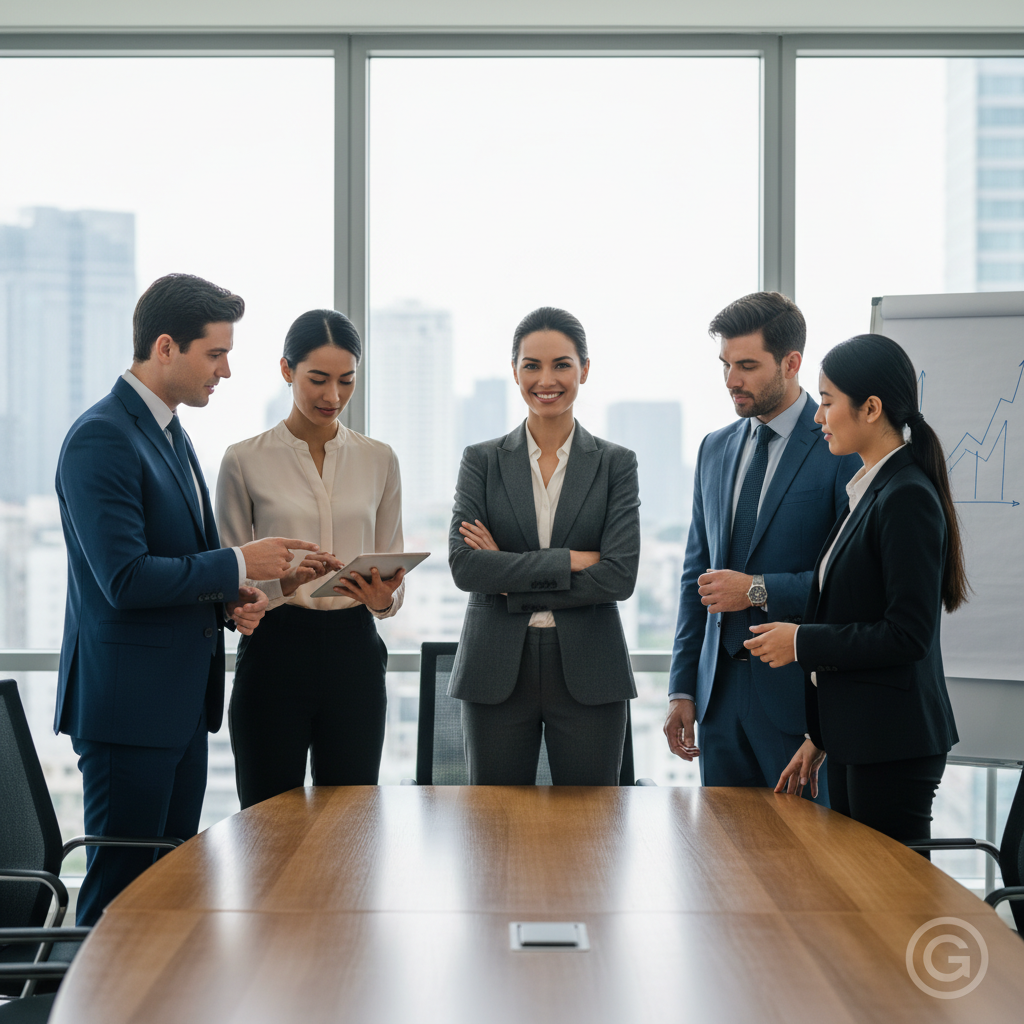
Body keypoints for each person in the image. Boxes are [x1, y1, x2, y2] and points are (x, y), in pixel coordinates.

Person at [55, 273, 320, 926]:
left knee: (167, 889)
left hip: (176, 707)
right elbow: (124, 579)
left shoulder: (171, 432)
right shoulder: (102, 437)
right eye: (216, 353)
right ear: (166, 347)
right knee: (119, 894)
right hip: (128, 712)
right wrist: (238, 562)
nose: (226, 370)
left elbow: (172, 565)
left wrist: (231, 599)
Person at [753, 334, 964, 844]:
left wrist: (800, 641)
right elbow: (855, 609)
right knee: (859, 882)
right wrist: (820, 735)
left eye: (827, 402)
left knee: (889, 889)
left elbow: (906, 635)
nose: (818, 416)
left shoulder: (906, 496)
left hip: (891, 742)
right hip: (861, 736)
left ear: (870, 408)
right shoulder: (869, 489)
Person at [663, 292, 859, 802]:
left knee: (804, 849)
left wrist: (754, 590)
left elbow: (850, 583)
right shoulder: (714, 448)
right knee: (722, 848)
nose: (731, 380)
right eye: (725, 364)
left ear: (791, 363)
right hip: (717, 700)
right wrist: (682, 688)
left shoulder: (840, 447)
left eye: (747, 366)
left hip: (800, 702)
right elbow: (696, 576)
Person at [216, 309, 405, 808]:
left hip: (355, 652)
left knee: (351, 818)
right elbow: (228, 582)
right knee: (265, 820)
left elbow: (394, 572)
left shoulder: (380, 459)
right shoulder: (243, 460)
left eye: (347, 380)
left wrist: (384, 599)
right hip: (274, 650)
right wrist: (279, 586)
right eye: (318, 380)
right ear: (286, 369)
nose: (333, 396)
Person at [448, 306, 640, 785]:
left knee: (592, 820)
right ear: (515, 371)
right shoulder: (481, 461)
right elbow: (466, 567)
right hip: (494, 667)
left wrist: (509, 577)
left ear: (584, 370)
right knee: (494, 820)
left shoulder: (616, 464)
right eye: (531, 365)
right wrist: (571, 561)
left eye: (561, 365)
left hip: (591, 668)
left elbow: (619, 577)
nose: (546, 379)